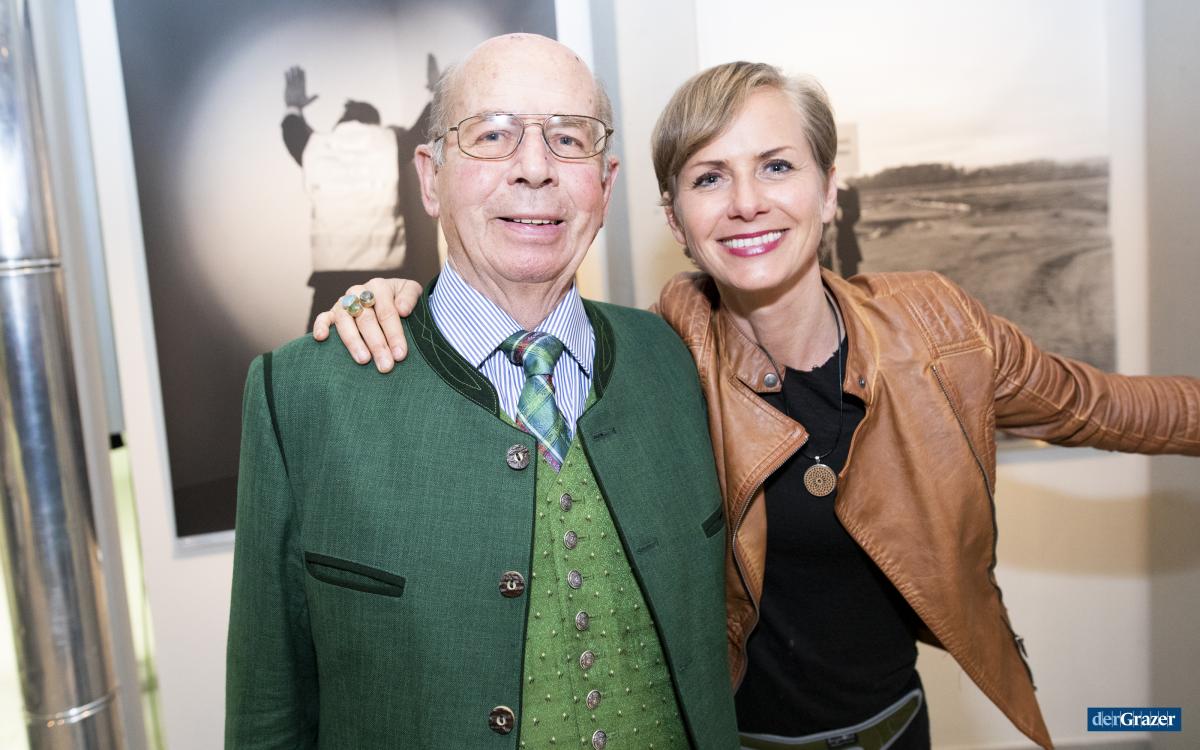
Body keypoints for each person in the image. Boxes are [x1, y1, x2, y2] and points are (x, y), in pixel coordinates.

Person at [316, 61, 1200, 749]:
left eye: (777, 166)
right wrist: (395, 298)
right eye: (709, 178)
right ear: (675, 218)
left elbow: (1117, 408)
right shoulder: (662, 353)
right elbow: (516, 327)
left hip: (899, 729)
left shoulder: (940, 330)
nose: (746, 204)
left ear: (828, 188)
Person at [228, 36, 740, 748]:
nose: (534, 167)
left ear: (606, 183)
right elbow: (267, 712)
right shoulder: (303, 396)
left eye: (569, 139)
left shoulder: (673, 357)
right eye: (493, 135)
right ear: (430, 177)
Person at [282, 64, 440, 329]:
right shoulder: (389, 142)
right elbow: (422, 129)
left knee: (321, 344)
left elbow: (292, 133)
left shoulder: (315, 147)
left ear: (339, 122)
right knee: (387, 344)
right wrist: (434, 92)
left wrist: (293, 106)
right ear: (375, 122)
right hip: (383, 280)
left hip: (328, 280)